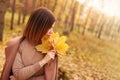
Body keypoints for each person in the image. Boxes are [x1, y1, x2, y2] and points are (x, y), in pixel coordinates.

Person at [1, 7, 58, 80]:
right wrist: (43, 61)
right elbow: (18, 74)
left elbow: (49, 77)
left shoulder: (50, 48)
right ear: (39, 27)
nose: (52, 32)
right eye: (49, 28)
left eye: (52, 28)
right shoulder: (19, 45)